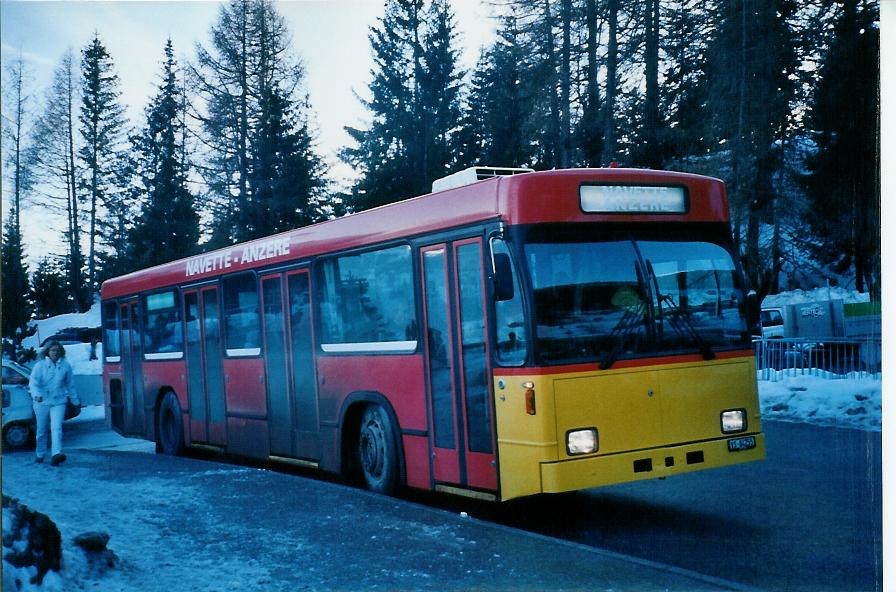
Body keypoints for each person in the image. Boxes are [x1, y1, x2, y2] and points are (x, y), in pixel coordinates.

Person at [29, 340, 80, 466]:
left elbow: (70, 384)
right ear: (48, 351)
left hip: (59, 401)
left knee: (56, 428)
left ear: (61, 351)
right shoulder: (40, 366)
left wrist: (74, 400)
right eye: (53, 350)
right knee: (41, 430)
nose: (55, 353)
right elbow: (33, 383)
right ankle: (40, 454)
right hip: (42, 402)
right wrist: (37, 395)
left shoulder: (65, 366)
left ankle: (56, 454)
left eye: (57, 350)